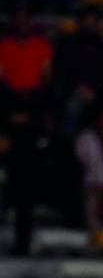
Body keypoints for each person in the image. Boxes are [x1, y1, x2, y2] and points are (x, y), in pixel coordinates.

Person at [5, 107, 82, 254]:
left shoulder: (62, 142)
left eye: (50, 120)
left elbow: (72, 169)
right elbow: (17, 165)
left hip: (55, 189)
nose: (47, 123)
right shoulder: (25, 139)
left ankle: (75, 247)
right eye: (44, 120)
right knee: (22, 200)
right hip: (32, 189)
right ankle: (22, 247)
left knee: (75, 199)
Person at [52, 8, 103, 131]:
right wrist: (80, 89)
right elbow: (62, 74)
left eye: (93, 23)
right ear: (79, 24)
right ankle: (68, 144)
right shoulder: (68, 46)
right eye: (86, 23)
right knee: (72, 106)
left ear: (98, 25)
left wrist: (98, 93)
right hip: (76, 93)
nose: (89, 26)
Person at [0, 6, 53, 118]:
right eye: (19, 20)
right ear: (13, 23)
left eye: (25, 20)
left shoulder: (42, 44)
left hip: (35, 94)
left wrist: (37, 91)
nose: (22, 23)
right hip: (10, 95)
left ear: (30, 22)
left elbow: (47, 74)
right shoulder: (4, 45)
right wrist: (13, 93)